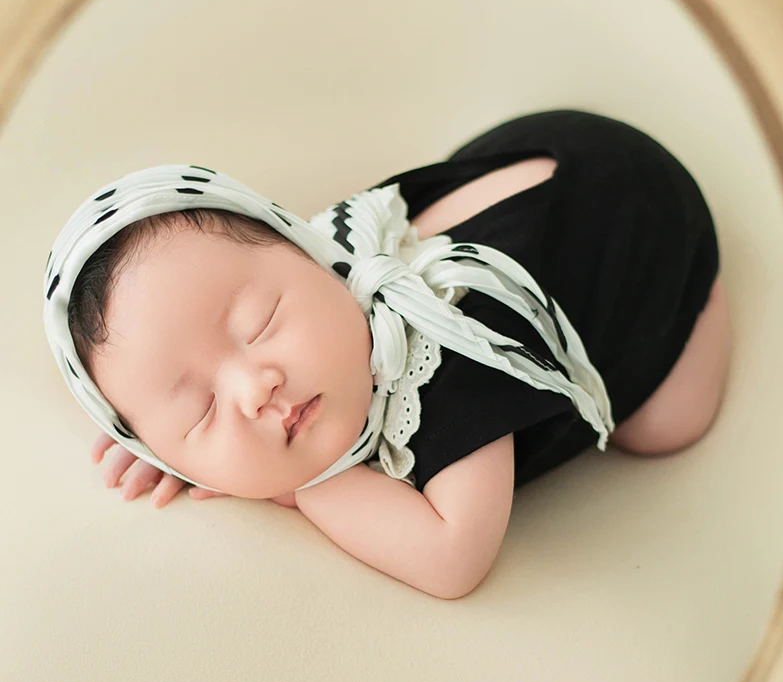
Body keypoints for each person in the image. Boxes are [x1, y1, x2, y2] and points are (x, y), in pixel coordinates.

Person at [44, 109, 731, 599]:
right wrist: (178, 448)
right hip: (543, 149)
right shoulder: (297, 298)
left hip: (638, 220)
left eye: (261, 322)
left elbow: (453, 556)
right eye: (199, 411)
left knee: (666, 424)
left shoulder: (446, 353)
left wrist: (300, 484)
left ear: (312, 249)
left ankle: (701, 272)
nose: (257, 387)